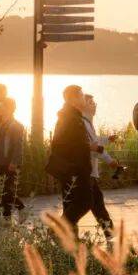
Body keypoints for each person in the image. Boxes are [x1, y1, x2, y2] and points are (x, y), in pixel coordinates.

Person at [45, 84, 103, 231]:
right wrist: (89, 148)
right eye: (81, 96)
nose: (84, 98)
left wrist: (88, 147)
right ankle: (58, 230)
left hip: (69, 168)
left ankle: (68, 239)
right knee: (85, 201)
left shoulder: (67, 116)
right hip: (77, 169)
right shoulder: (72, 119)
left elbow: (66, 143)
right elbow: (74, 146)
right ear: (73, 99)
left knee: (71, 203)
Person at [82, 94, 120, 237]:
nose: (94, 105)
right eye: (91, 102)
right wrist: (110, 160)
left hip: (89, 170)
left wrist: (107, 139)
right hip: (87, 170)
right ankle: (110, 232)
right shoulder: (84, 122)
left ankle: (109, 231)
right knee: (88, 203)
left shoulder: (87, 121)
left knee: (95, 202)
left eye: (94, 102)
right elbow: (94, 148)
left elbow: (95, 141)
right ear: (83, 105)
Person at [0, 97, 26, 218]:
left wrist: (14, 162)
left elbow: (18, 146)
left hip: (9, 163)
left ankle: (21, 208)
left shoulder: (16, 125)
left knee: (6, 190)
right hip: (0, 161)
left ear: (9, 108)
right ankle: (6, 217)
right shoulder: (1, 123)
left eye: (2, 106)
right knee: (3, 190)